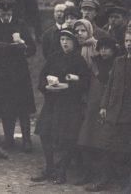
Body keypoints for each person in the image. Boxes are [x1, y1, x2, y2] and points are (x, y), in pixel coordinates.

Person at [32, 29, 90, 184]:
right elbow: (42, 77)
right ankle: (49, 167)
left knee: (68, 138)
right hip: (53, 102)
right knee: (45, 133)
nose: (64, 42)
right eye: (62, 39)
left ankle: (62, 171)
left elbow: (85, 83)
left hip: (70, 105)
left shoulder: (79, 60)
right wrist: (46, 87)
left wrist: (68, 87)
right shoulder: (54, 57)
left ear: (74, 42)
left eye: (68, 40)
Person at [0, 0, 36, 153]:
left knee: (24, 108)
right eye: (3, 11)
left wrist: (24, 47)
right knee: (6, 107)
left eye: (8, 11)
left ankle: (27, 140)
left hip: (20, 73)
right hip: (2, 74)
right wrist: (6, 49)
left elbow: (32, 47)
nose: (6, 14)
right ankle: (8, 139)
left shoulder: (20, 25)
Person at [86, 31, 131, 192]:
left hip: (128, 114)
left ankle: (127, 183)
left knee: (127, 149)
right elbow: (110, 86)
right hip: (114, 111)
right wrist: (104, 105)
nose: (129, 44)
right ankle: (104, 178)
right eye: (127, 40)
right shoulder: (119, 62)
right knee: (106, 145)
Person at [76, 36, 117, 187]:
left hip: (108, 109)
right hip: (92, 107)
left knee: (104, 144)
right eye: (101, 48)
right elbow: (88, 83)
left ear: (113, 50)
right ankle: (88, 173)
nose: (104, 51)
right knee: (85, 140)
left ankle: (104, 177)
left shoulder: (117, 64)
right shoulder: (94, 63)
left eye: (107, 48)